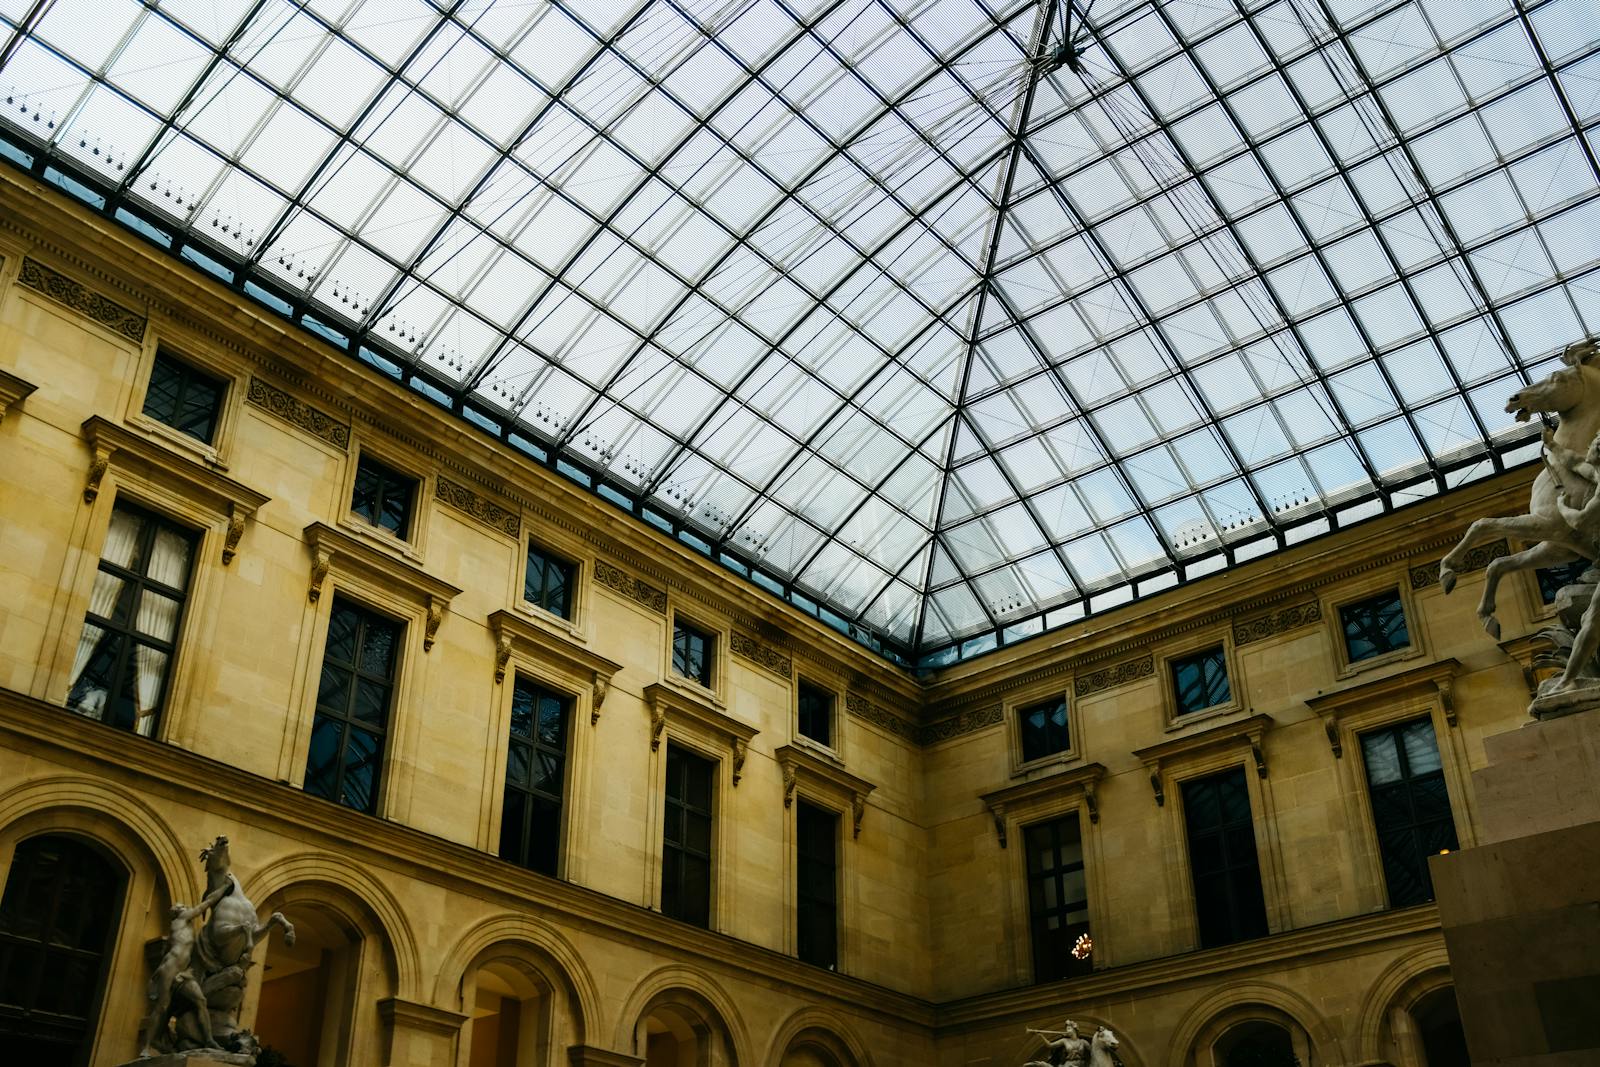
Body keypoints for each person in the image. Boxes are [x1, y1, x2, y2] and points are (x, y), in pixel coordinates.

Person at [141, 873, 237, 1055]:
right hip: (170, 969)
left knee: (200, 1000)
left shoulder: (182, 928)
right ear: (177, 911)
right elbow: (206, 903)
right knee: (162, 1007)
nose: (186, 907)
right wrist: (225, 887)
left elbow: (167, 951)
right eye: (182, 906)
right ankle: (146, 1047)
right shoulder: (182, 918)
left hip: (182, 972)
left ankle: (208, 1040)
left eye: (184, 906)